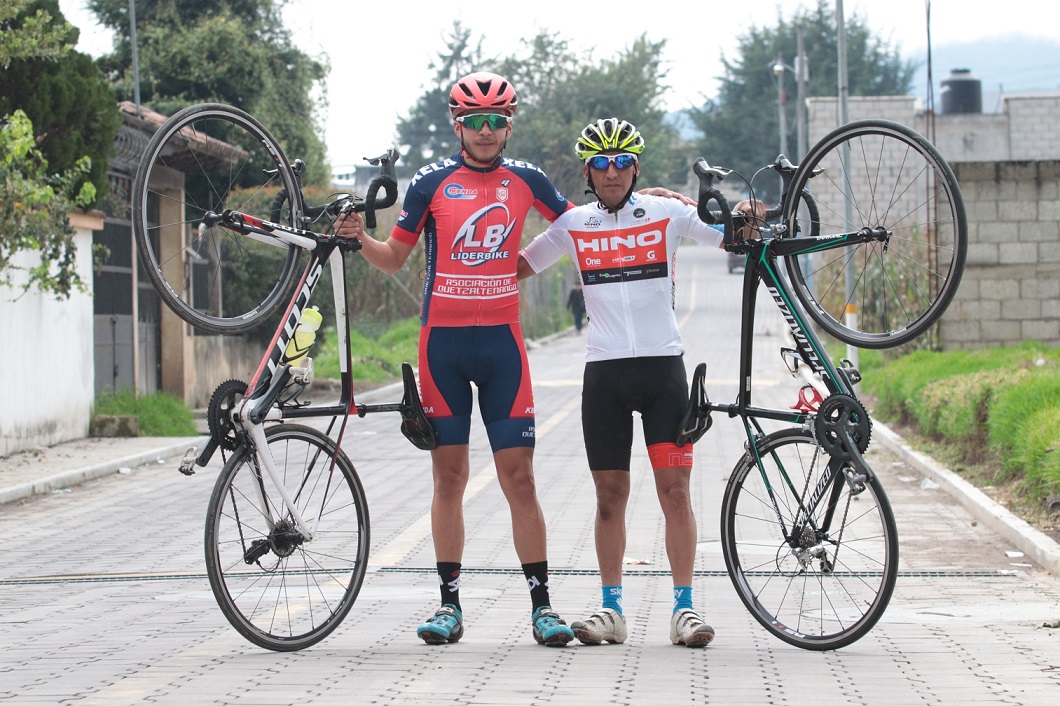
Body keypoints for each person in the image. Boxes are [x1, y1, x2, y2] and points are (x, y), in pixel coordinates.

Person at [335, 71, 578, 647]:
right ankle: (449, 605)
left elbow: (576, 226)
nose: (487, 132)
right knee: (449, 478)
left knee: (519, 479)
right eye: (476, 121)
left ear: (510, 123)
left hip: (503, 347)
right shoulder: (432, 181)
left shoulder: (527, 180)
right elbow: (395, 258)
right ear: (457, 123)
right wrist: (357, 238)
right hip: (441, 347)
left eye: (498, 120)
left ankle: (543, 607)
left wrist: (525, 264)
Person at [516, 117, 763, 648]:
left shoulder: (669, 212)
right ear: (587, 170)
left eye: (622, 161)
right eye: (601, 163)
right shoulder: (573, 223)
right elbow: (518, 267)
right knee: (610, 497)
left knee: (675, 493)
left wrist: (749, 217)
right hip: (603, 374)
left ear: (635, 167)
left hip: (662, 373)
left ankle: (684, 610)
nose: (611, 172)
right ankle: (612, 610)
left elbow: (728, 238)